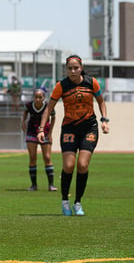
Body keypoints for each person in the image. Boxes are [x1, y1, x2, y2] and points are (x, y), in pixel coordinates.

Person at [37, 54, 109, 216]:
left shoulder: (92, 82)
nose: (73, 71)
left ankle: (77, 202)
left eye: (76, 68)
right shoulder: (61, 86)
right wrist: (42, 129)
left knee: (83, 165)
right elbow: (48, 109)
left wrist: (104, 120)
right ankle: (64, 200)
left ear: (81, 68)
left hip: (89, 128)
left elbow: (101, 102)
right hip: (69, 128)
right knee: (69, 165)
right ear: (66, 69)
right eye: (70, 68)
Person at [21, 88, 57, 191]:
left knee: (47, 157)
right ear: (33, 97)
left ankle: (51, 185)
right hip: (32, 131)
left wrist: (50, 133)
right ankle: (34, 185)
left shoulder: (48, 106)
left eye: (40, 97)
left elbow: (53, 118)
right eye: (36, 97)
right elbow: (25, 112)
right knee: (32, 157)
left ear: (44, 98)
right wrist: (23, 122)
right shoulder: (29, 105)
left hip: (45, 131)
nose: (37, 99)